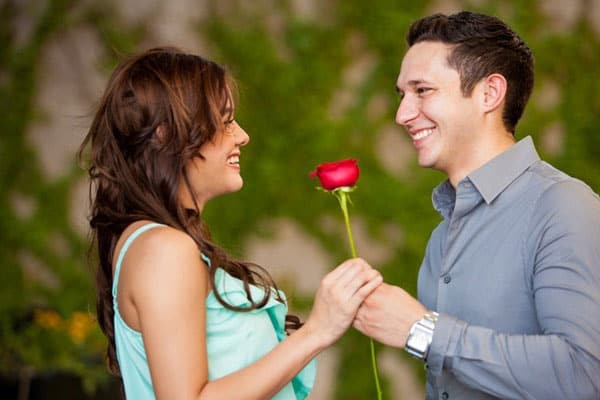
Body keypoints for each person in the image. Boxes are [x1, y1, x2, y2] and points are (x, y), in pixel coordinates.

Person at [79, 47, 382, 400]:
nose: (242, 136)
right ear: (164, 134)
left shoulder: (157, 243)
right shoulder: (165, 250)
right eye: (225, 122)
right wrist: (317, 331)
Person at [353, 11, 600, 400]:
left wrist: (424, 330)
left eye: (422, 90)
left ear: (489, 93)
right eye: (402, 94)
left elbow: (584, 375)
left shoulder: (562, 205)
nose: (402, 114)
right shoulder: (441, 237)